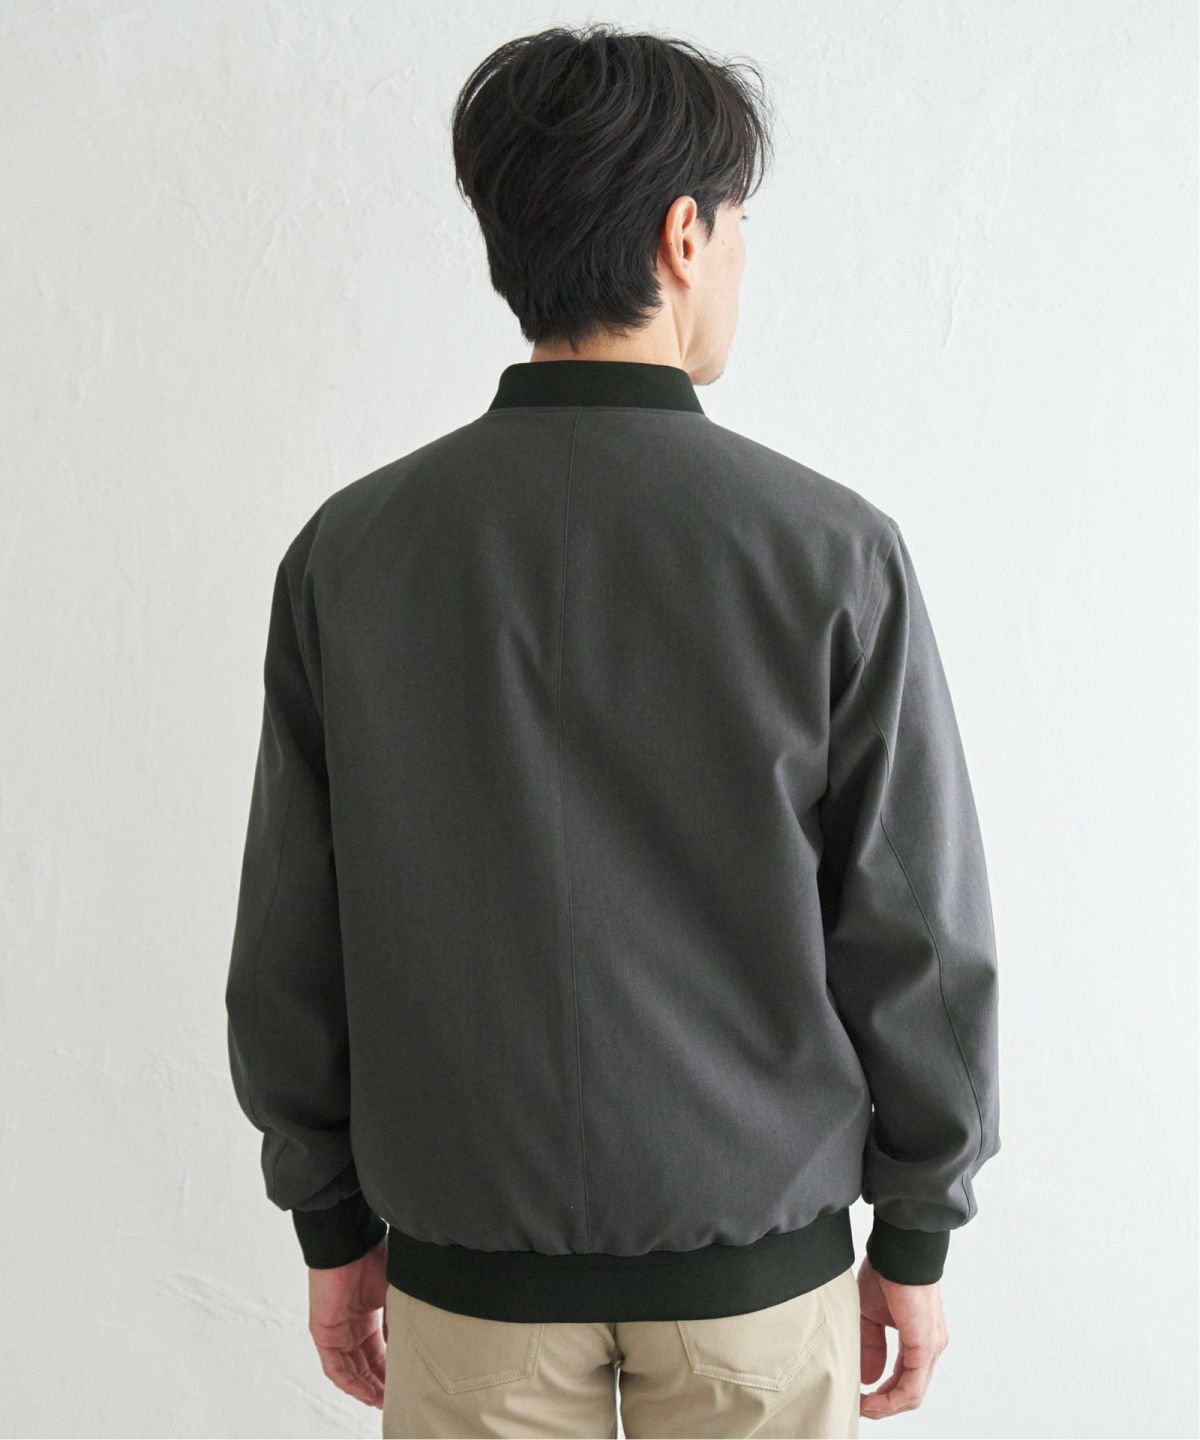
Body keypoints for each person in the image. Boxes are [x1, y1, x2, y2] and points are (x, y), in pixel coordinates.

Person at [224, 23, 1000, 1440]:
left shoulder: (352, 554)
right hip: (759, 1278)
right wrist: (918, 1229)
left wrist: (329, 1225)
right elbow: (916, 934)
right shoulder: (831, 551)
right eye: (738, 224)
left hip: (470, 1277)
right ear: (683, 234)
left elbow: (291, 933)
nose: (741, 260)